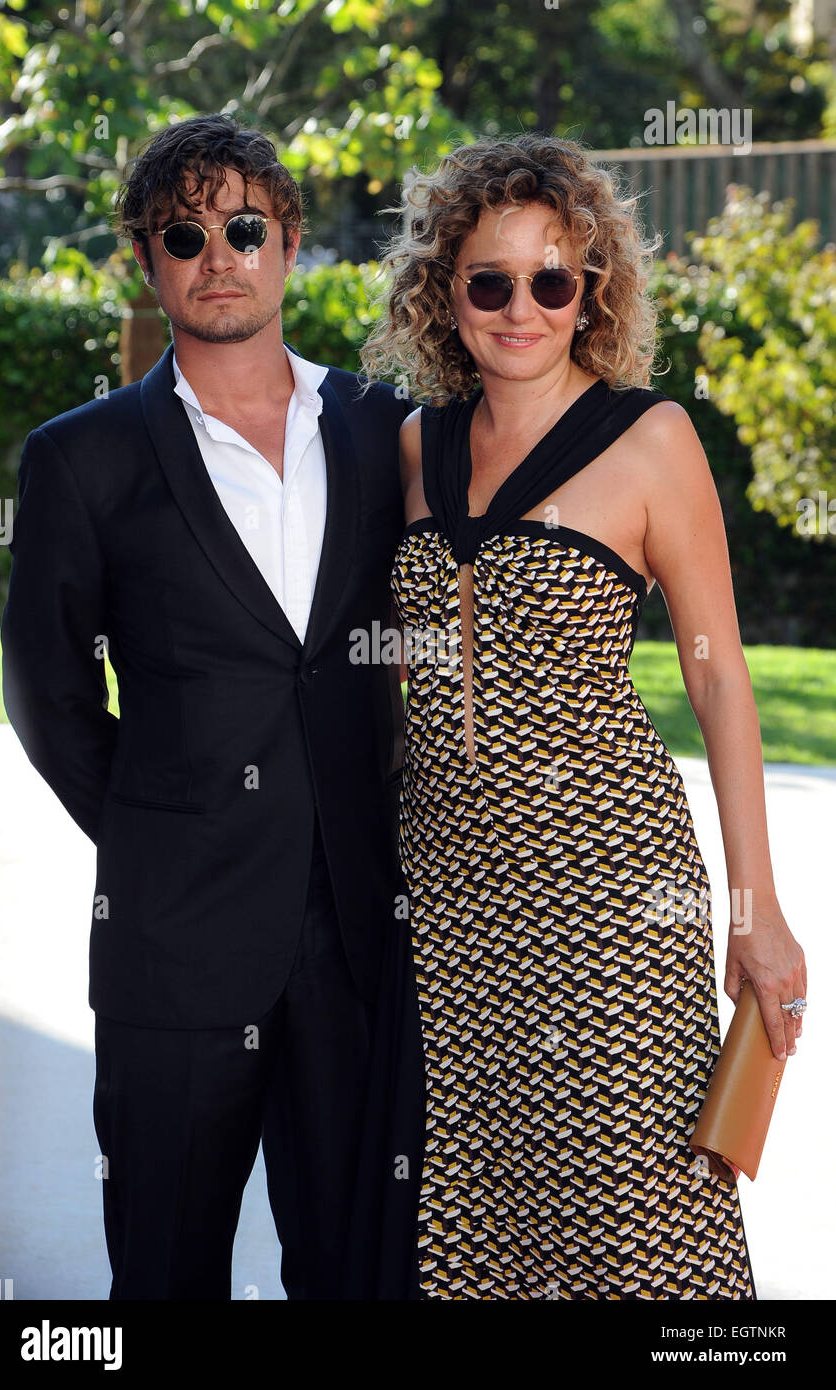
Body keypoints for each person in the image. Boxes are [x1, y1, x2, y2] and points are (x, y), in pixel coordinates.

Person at [357, 133, 807, 1299]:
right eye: (489, 281)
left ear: (589, 289)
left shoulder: (651, 440)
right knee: (476, 1210)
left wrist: (756, 915)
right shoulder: (413, 445)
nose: (521, 309)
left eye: (551, 280)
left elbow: (717, 679)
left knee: (636, 1212)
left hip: (608, 887)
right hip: (449, 897)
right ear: (443, 293)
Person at [0, 113, 410, 1300]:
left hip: (358, 941)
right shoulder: (82, 457)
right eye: (185, 235)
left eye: (241, 227)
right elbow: (47, 690)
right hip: (173, 950)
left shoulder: (389, 428)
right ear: (148, 258)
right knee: (165, 1275)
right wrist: (163, 831)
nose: (216, 255)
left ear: (288, 242)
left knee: (358, 1274)